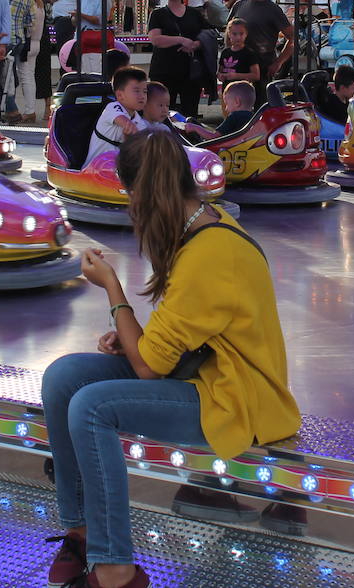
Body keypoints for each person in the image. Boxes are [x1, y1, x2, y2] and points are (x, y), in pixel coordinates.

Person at [41, 129, 300, 588]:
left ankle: (116, 568)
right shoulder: (199, 225)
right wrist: (126, 332)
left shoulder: (209, 253)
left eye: (128, 193)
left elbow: (148, 366)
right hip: (203, 372)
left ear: (142, 192)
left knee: (92, 407)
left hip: (237, 396)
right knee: (64, 377)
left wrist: (114, 291)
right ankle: (79, 530)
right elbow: (174, 337)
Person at [229, 0, 294, 103]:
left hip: (261, 70)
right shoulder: (239, 5)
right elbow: (228, 34)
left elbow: (293, 38)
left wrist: (278, 62)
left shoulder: (273, 10)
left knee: (259, 111)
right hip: (236, 68)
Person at [147, 0, 207, 118]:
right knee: (163, 113)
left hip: (190, 71)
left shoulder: (194, 14)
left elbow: (206, 37)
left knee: (190, 112)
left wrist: (194, 45)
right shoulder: (157, 14)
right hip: (163, 70)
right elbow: (155, 39)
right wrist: (181, 40)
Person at [85, 67, 149, 166]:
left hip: (116, 170)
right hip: (94, 170)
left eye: (145, 91)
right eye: (136, 91)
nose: (142, 96)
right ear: (120, 95)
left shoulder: (138, 120)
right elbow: (125, 123)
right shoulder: (112, 108)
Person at [0, 0, 34, 123]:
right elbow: (30, 20)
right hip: (20, 38)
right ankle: (10, 108)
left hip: (6, 38)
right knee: (11, 76)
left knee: (5, 77)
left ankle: (11, 109)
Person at [17, 0, 48, 124]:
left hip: (28, 44)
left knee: (25, 77)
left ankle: (30, 111)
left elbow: (28, 26)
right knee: (29, 76)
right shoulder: (40, 6)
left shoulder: (29, 7)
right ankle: (30, 109)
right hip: (37, 43)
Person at [184, 81, 257, 141]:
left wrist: (195, 128)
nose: (226, 109)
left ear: (237, 102)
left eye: (226, 104)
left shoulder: (234, 117)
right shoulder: (254, 117)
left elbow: (214, 137)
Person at [216, 18, 260, 89]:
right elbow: (220, 71)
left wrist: (236, 76)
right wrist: (220, 76)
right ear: (229, 34)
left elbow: (256, 76)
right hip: (227, 91)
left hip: (243, 91)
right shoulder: (225, 52)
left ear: (246, 34)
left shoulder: (249, 53)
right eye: (234, 34)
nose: (238, 37)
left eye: (241, 34)